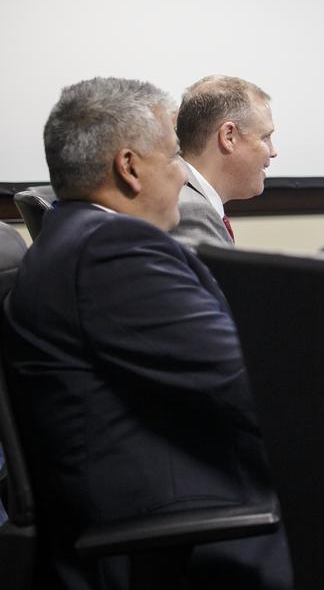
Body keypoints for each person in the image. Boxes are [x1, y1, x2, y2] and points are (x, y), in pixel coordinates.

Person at [3, 77, 290, 589]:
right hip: (182, 530)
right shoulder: (113, 253)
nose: (185, 174)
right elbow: (253, 386)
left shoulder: (75, 237)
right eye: (175, 155)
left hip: (162, 497)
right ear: (130, 168)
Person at [171, 75, 277, 248]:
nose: (273, 152)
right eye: (265, 137)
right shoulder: (192, 210)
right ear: (229, 137)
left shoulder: (184, 196)